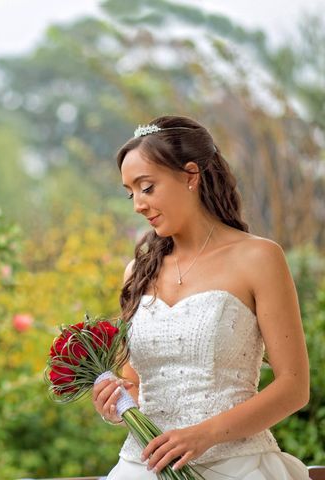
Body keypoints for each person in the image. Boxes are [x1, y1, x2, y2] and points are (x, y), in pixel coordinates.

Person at [92, 115, 311, 479]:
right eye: (130, 193)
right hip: (143, 466)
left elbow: (294, 387)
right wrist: (115, 401)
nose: (138, 205)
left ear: (190, 175)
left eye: (147, 188)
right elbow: (133, 382)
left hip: (237, 466)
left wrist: (205, 435)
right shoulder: (137, 272)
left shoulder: (259, 258)